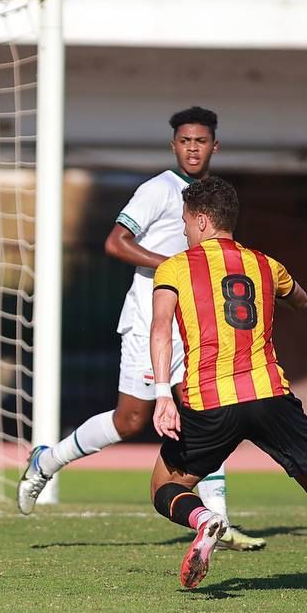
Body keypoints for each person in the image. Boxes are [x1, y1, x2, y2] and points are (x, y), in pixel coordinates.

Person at [18, 106, 264, 551]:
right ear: (174, 145)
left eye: (201, 140)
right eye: (185, 140)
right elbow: (116, 242)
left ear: (215, 146)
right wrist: (173, 265)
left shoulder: (213, 198)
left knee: (208, 410)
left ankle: (219, 521)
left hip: (192, 325)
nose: (193, 148)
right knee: (129, 420)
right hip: (148, 322)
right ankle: (47, 460)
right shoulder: (158, 189)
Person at [148, 175, 307, 600]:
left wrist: (161, 395)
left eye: (186, 222)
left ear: (204, 221)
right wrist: (280, 294)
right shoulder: (265, 263)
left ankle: (203, 518)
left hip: (211, 400)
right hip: (271, 395)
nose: (185, 231)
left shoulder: (174, 266)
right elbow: (301, 298)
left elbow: (159, 330)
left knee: (164, 487)